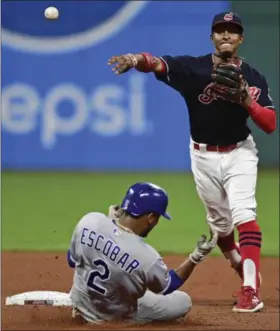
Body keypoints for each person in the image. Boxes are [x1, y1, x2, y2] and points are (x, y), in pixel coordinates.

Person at [108, 12, 277, 313]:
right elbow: (158, 63)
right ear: (212, 37)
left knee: (243, 213)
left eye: (233, 31)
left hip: (240, 153)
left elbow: (270, 124)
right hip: (202, 156)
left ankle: (250, 289)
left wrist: (246, 101)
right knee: (221, 228)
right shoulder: (194, 69)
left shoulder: (253, 78)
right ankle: (240, 264)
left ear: (241, 38)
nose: (226, 35)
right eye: (221, 31)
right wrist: (135, 60)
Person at [67, 182, 218, 324]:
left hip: (81, 302)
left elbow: (72, 260)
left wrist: (108, 226)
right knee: (183, 301)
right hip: (115, 317)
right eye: (158, 217)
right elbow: (168, 286)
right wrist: (195, 256)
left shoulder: (90, 221)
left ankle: (79, 308)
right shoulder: (147, 257)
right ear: (151, 218)